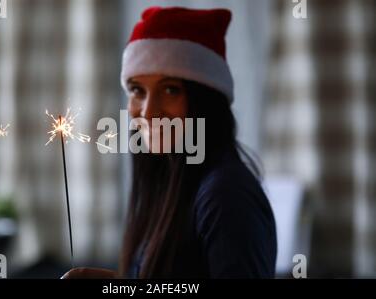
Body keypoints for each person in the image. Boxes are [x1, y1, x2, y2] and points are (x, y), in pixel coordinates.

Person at [62, 6, 277, 279]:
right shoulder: (172, 181)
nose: (148, 112)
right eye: (137, 90)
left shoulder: (225, 194)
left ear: (206, 100)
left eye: (170, 89)